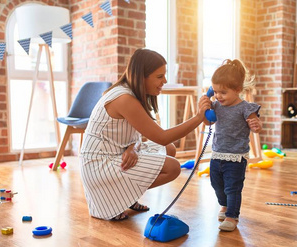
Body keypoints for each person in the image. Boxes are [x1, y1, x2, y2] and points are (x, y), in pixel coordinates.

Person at [80, 48, 211, 221]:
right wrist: (198, 118)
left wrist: (133, 147)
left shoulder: (132, 94)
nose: (164, 80)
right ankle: (120, 196)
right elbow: (161, 136)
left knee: (169, 149)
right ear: (142, 76)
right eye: (159, 76)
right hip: (99, 166)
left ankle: (127, 195)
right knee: (172, 167)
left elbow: (137, 134)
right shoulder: (124, 98)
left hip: (114, 155)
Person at [201, 59, 262, 232]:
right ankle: (224, 205)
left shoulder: (245, 108)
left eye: (223, 92)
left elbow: (256, 125)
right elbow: (207, 122)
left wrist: (257, 126)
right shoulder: (216, 105)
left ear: (237, 90)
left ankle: (232, 216)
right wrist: (205, 103)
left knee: (232, 187)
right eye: (216, 91)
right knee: (216, 184)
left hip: (236, 157)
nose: (218, 96)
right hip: (217, 153)